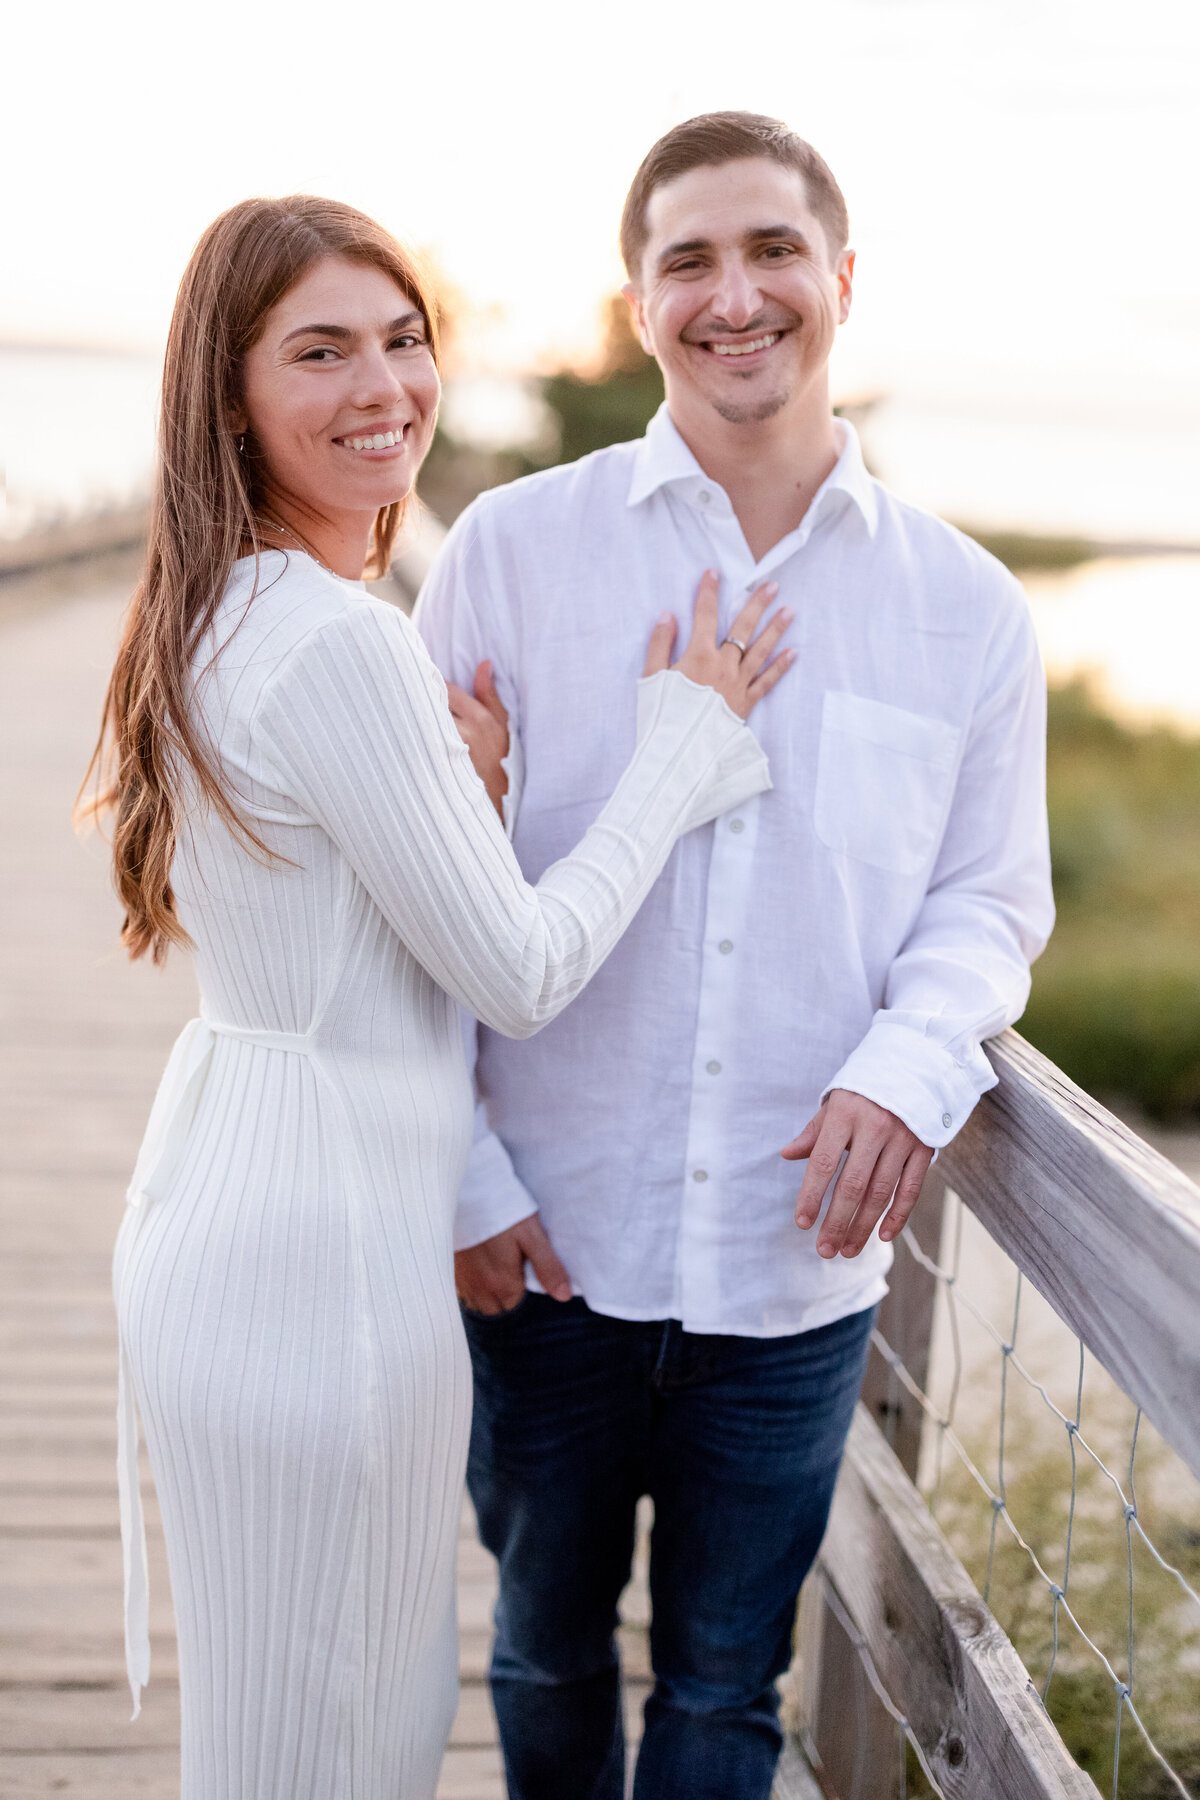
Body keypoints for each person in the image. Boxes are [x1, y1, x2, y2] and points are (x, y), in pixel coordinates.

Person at [79, 193, 793, 1800]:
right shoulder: (338, 638)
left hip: (244, 1214)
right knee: (345, 1747)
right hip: (316, 1265)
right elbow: (521, 972)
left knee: (289, 1740)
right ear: (230, 397)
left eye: (403, 342)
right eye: (319, 351)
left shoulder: (224, 603)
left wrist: (452, 803)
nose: (383, 387)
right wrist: (678, 749)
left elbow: (324, 906)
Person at [416, 112, 1055, 1800]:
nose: (735, 293)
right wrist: (464, 1173)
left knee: (723, 1687)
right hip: (542, 1238)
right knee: (544, 1649)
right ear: (638, 307)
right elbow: (403, 895)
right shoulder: (508, 553)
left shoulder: (969, 610)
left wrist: (910, 1066)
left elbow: (988, 907)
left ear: (840, 281)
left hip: (793, 1269)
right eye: (688, 259)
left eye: (772, 249)